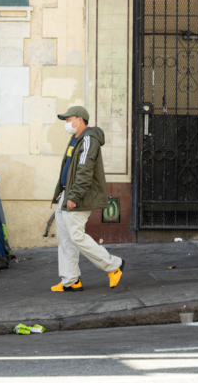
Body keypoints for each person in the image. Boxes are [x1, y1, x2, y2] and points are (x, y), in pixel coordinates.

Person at [50, 105, 124, 292]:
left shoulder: (89, 139)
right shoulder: (75, 139)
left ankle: (114, 265)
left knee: (76, 236)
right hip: (67, 193)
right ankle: (71, 279)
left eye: (69, 119)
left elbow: (84, 170)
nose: (67, 123)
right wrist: (64, 192)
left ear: (80, 120)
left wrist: (74, 195)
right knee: (65, 238)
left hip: (78, 195)